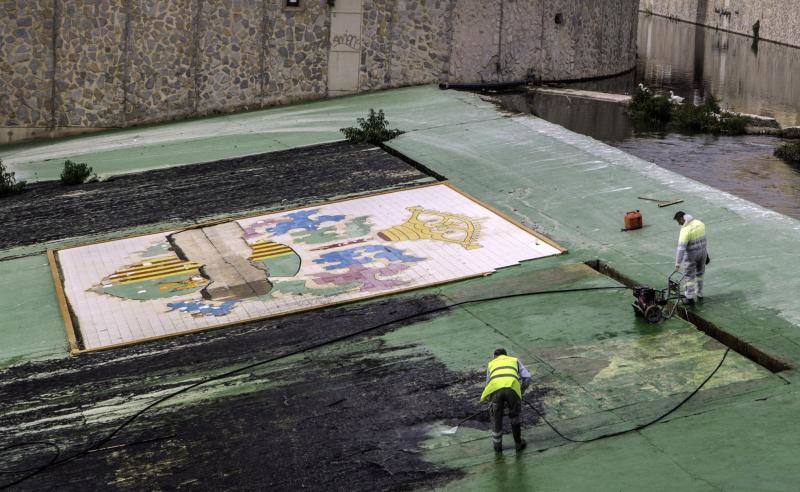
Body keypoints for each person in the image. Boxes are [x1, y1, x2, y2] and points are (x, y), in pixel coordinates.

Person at [479, 348, 532, 452]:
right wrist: (520, 391)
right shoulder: (514, 360)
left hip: (495, 389)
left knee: (496, 417)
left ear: (495, 356)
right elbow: (527, 377)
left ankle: (497, 447)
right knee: (514, 416)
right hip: (512, 387)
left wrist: (491, 402)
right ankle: (518, 443)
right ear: (506, 355)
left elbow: (488, 383)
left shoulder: (491, 363)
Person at [673, 211, 707, 305]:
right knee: (700, 274)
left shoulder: (685, 230)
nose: (678, 224)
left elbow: (681, 248)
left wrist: (677, 263)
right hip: (703, 253)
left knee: (689, 277)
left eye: (678, 221)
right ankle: (700, 293)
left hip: (691, 255)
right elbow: (704, 240)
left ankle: (689, 298)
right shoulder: (700, 223)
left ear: (681, 218)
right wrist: (706, 254)